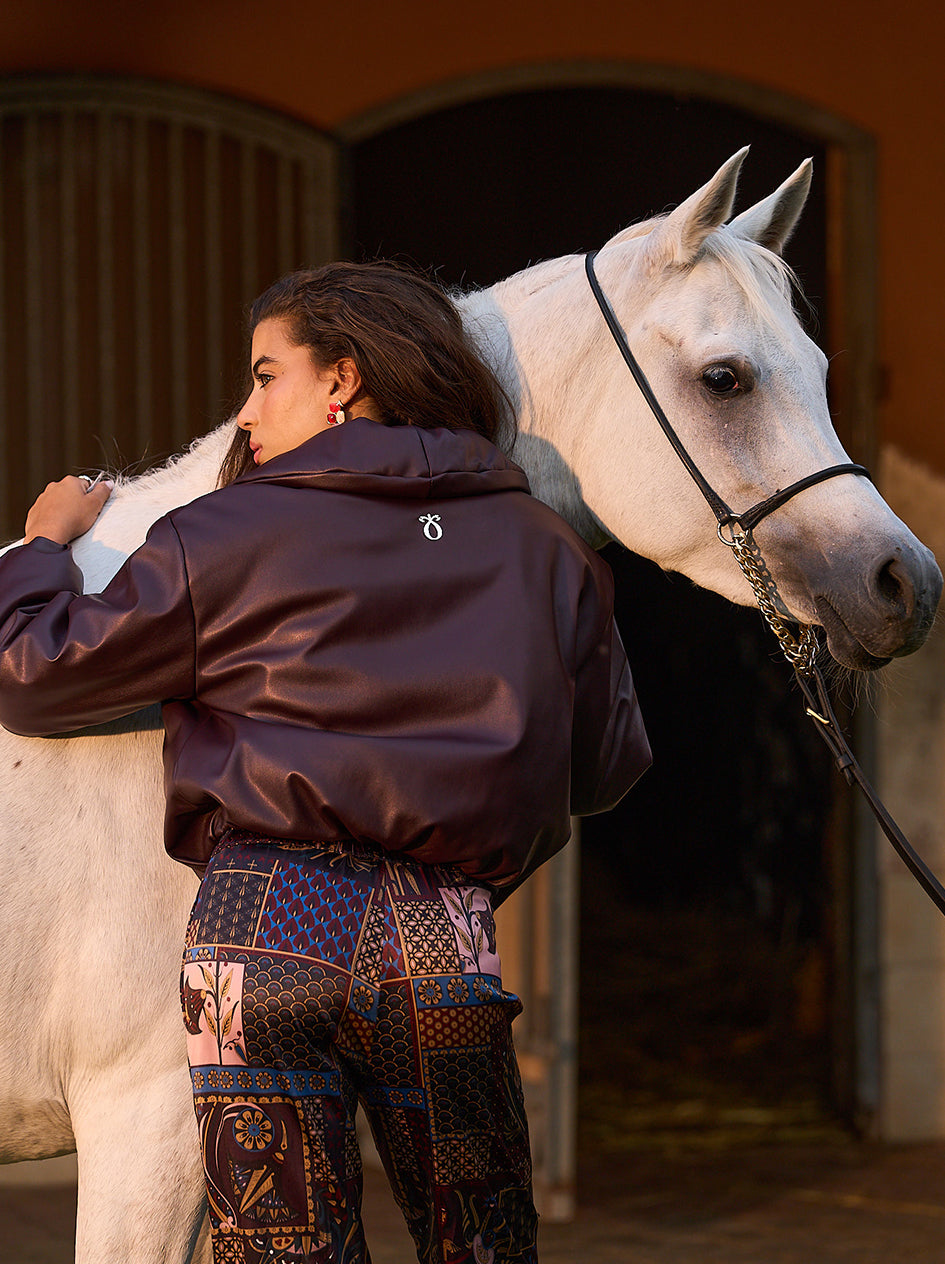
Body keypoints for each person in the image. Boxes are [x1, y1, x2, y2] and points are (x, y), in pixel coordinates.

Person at [0, 261, 650, 1264]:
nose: (246, 410)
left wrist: (42, 549)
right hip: (437, 930)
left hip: (254, 930)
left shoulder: (217, 534)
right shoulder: (542, 546)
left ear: (340, 379)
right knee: (479, 1240)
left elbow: (36, 676)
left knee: (280, 1248)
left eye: (266, 376)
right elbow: (606, 765)